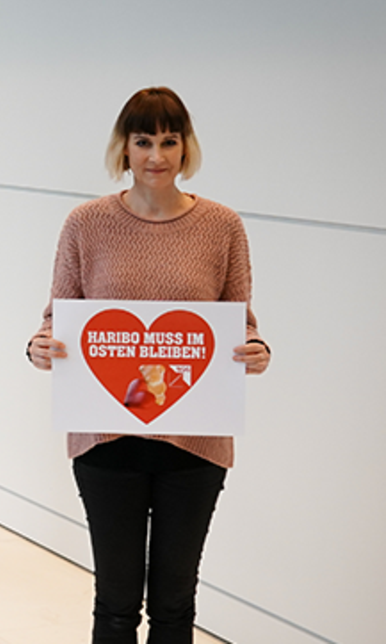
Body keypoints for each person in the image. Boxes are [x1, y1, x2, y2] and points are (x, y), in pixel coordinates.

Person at [26, 87, 271, 644]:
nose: (156, 155)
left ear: (186, 148)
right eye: (143, 141)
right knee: (114, 603)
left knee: (175, 603)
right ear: (125, 147)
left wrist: (256, 349)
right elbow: (57, 318)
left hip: (193, 440)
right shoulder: (85, 223)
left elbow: (241, 320)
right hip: (107, 439)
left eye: (169, 140)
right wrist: (40, 346)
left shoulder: (222, 225)